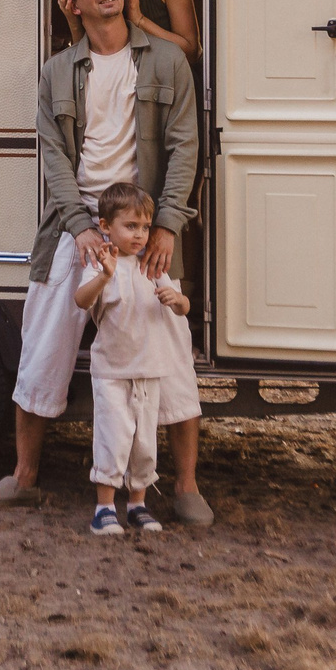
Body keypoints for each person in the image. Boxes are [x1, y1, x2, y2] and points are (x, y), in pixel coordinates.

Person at [0, 0, 209, 523]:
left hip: (140, 228)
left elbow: (185, 147)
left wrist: (167, 224)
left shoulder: (167, 61)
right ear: (70, 1)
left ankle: (186, 487)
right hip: (75, 224)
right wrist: (79, 229)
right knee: (42, 350)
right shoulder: (58, 71)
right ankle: (24, 476)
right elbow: (52, 157)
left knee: (171, 357)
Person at [73, 182, 194, 535]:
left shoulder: (152, 267)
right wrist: (105, 276)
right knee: (114, 436)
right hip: (112, 370)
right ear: (105, 226)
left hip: (149, 369)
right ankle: (104, 508)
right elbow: (82, 301)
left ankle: (138, 505)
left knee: (144, 441)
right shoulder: (102, 263)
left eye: (144, 227)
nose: (140, 235)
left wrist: (177, 299)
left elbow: (184, 308)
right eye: (131, 226)